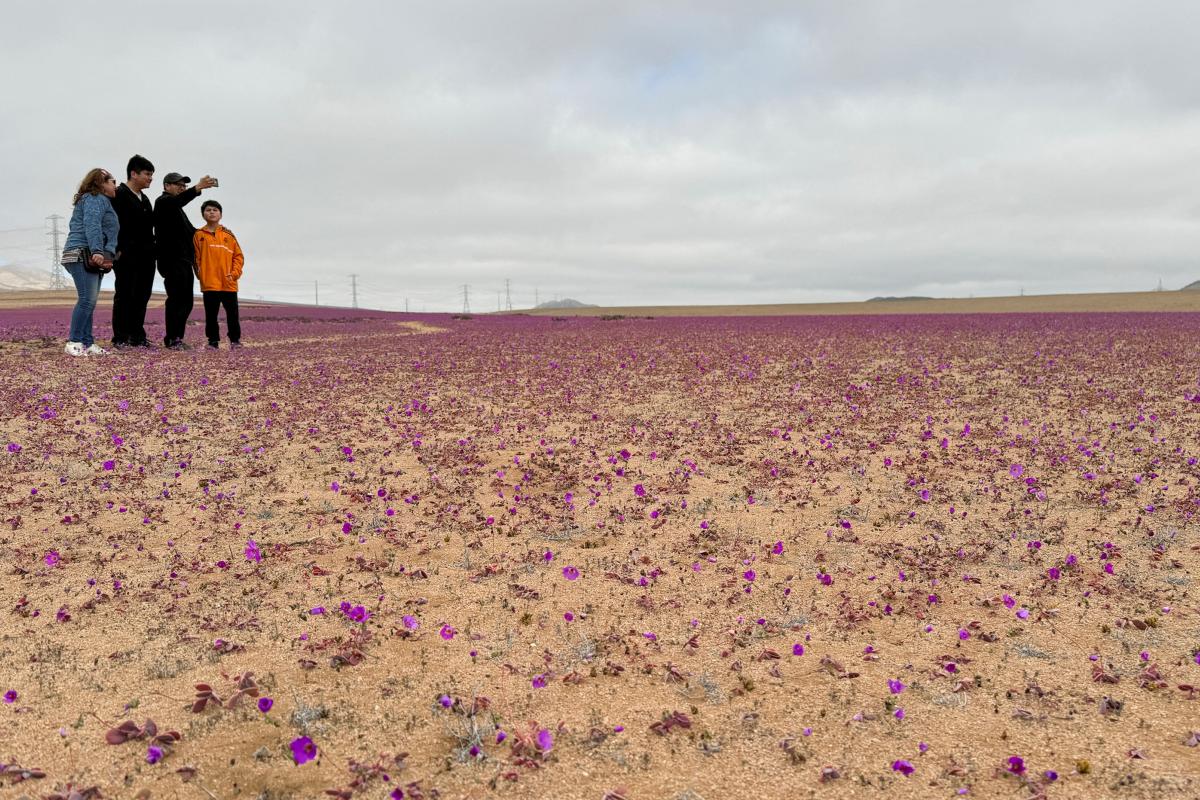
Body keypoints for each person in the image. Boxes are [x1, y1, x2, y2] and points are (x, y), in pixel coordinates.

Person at [60, 168, 119, 356]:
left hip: (88, 255)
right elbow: (91, 224)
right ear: (101, 184)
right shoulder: (95, 199)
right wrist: (97, 251)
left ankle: (87, 342)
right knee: (86, 300)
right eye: (112, 182)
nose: (115, 186)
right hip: (83, 254)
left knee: (89, 301)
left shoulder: (98, 200)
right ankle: (74, 342)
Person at [154, 172, 217, 349]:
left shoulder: (177, 210)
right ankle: (172, 339)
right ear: (167, 186)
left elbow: (192, 233)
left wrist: (211, 231)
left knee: (186, 301)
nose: (182, 187)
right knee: (177, 300)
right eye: (178, 184)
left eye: (184, 185)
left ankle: (177, 338)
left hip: (184, 261)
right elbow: (177, 201)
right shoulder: (164, 202)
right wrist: (198, 188)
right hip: (172, 259)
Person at [109, 154, 157, 349]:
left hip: (147, 256)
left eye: (152, 174)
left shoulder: (145, 199)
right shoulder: (118, 194)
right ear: (133, 173)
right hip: (126, 256)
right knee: (125, 295)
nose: (151, 178)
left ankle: (137, 336)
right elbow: (110, 225)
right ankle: (120, 337)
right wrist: (116, 250)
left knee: (142, 296)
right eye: (147, 174)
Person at [193, 200, 245, 349]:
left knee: (233, 314)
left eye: (215, 210)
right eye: (208, 210)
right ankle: (213, 341)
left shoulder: (229, 235)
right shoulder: (198, 235)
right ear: (203, 214)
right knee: (211, 315)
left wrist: (234, 274)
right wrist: (201, 275)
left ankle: (235, 340)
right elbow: (196, 258)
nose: (211, 212)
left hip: (228, 282)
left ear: (220, 214)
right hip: (209, 283)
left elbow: (238, 257)